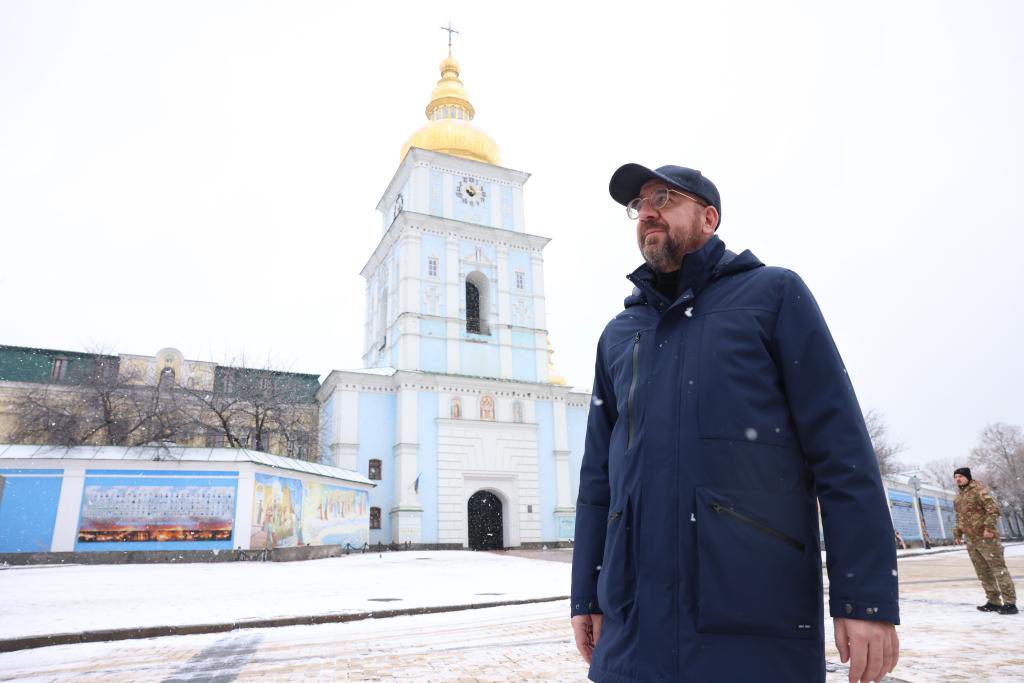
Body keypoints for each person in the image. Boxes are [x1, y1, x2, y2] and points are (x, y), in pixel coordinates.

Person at [571, 164, 900, 683]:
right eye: (638, 205)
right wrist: (587, 594)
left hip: (751, 621)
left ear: (709, 217)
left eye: (664, 197)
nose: (647, 212)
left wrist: (866, 599)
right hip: (631, 634)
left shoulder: (771, 296)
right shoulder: (620, 333)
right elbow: (597, 482)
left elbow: (842, 452)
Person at [952, 467, 1017, 615]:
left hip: (987, 539)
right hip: (971, 540)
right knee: (983, 572)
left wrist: (989, 528)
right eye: (955, 477)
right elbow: (959, 518)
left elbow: (993, 509)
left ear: (968, 477)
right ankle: (993, 601)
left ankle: (1010, 603)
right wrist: (957, 534)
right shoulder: (958, 497)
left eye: (961, 476)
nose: (958, 479)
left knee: (998, 570)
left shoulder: (979, 490)